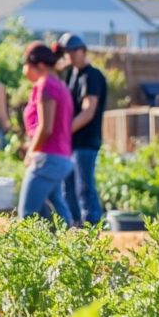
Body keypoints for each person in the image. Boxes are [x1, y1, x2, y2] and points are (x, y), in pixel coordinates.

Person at [17, 42, 75, 223]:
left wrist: (30, 152)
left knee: (27, 214)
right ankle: (73, 247)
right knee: (57, 213)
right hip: (59, 157)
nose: (24, 71)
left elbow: (45, 127)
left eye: (26, 66)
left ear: (39, 65)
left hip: (47, 158)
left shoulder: (46, 85)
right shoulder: (59, 85)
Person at [56, 33, 107, 226]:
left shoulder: (91, 76)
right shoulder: (73, 74)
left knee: (83, 187)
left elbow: (88, 112)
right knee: (67, 187)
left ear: (81, 51)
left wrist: (63, 132)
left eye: (70, 52)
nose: (67, 56)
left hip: (85, 141)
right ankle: (74, 225)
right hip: (72, 142)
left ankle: (91, 227)